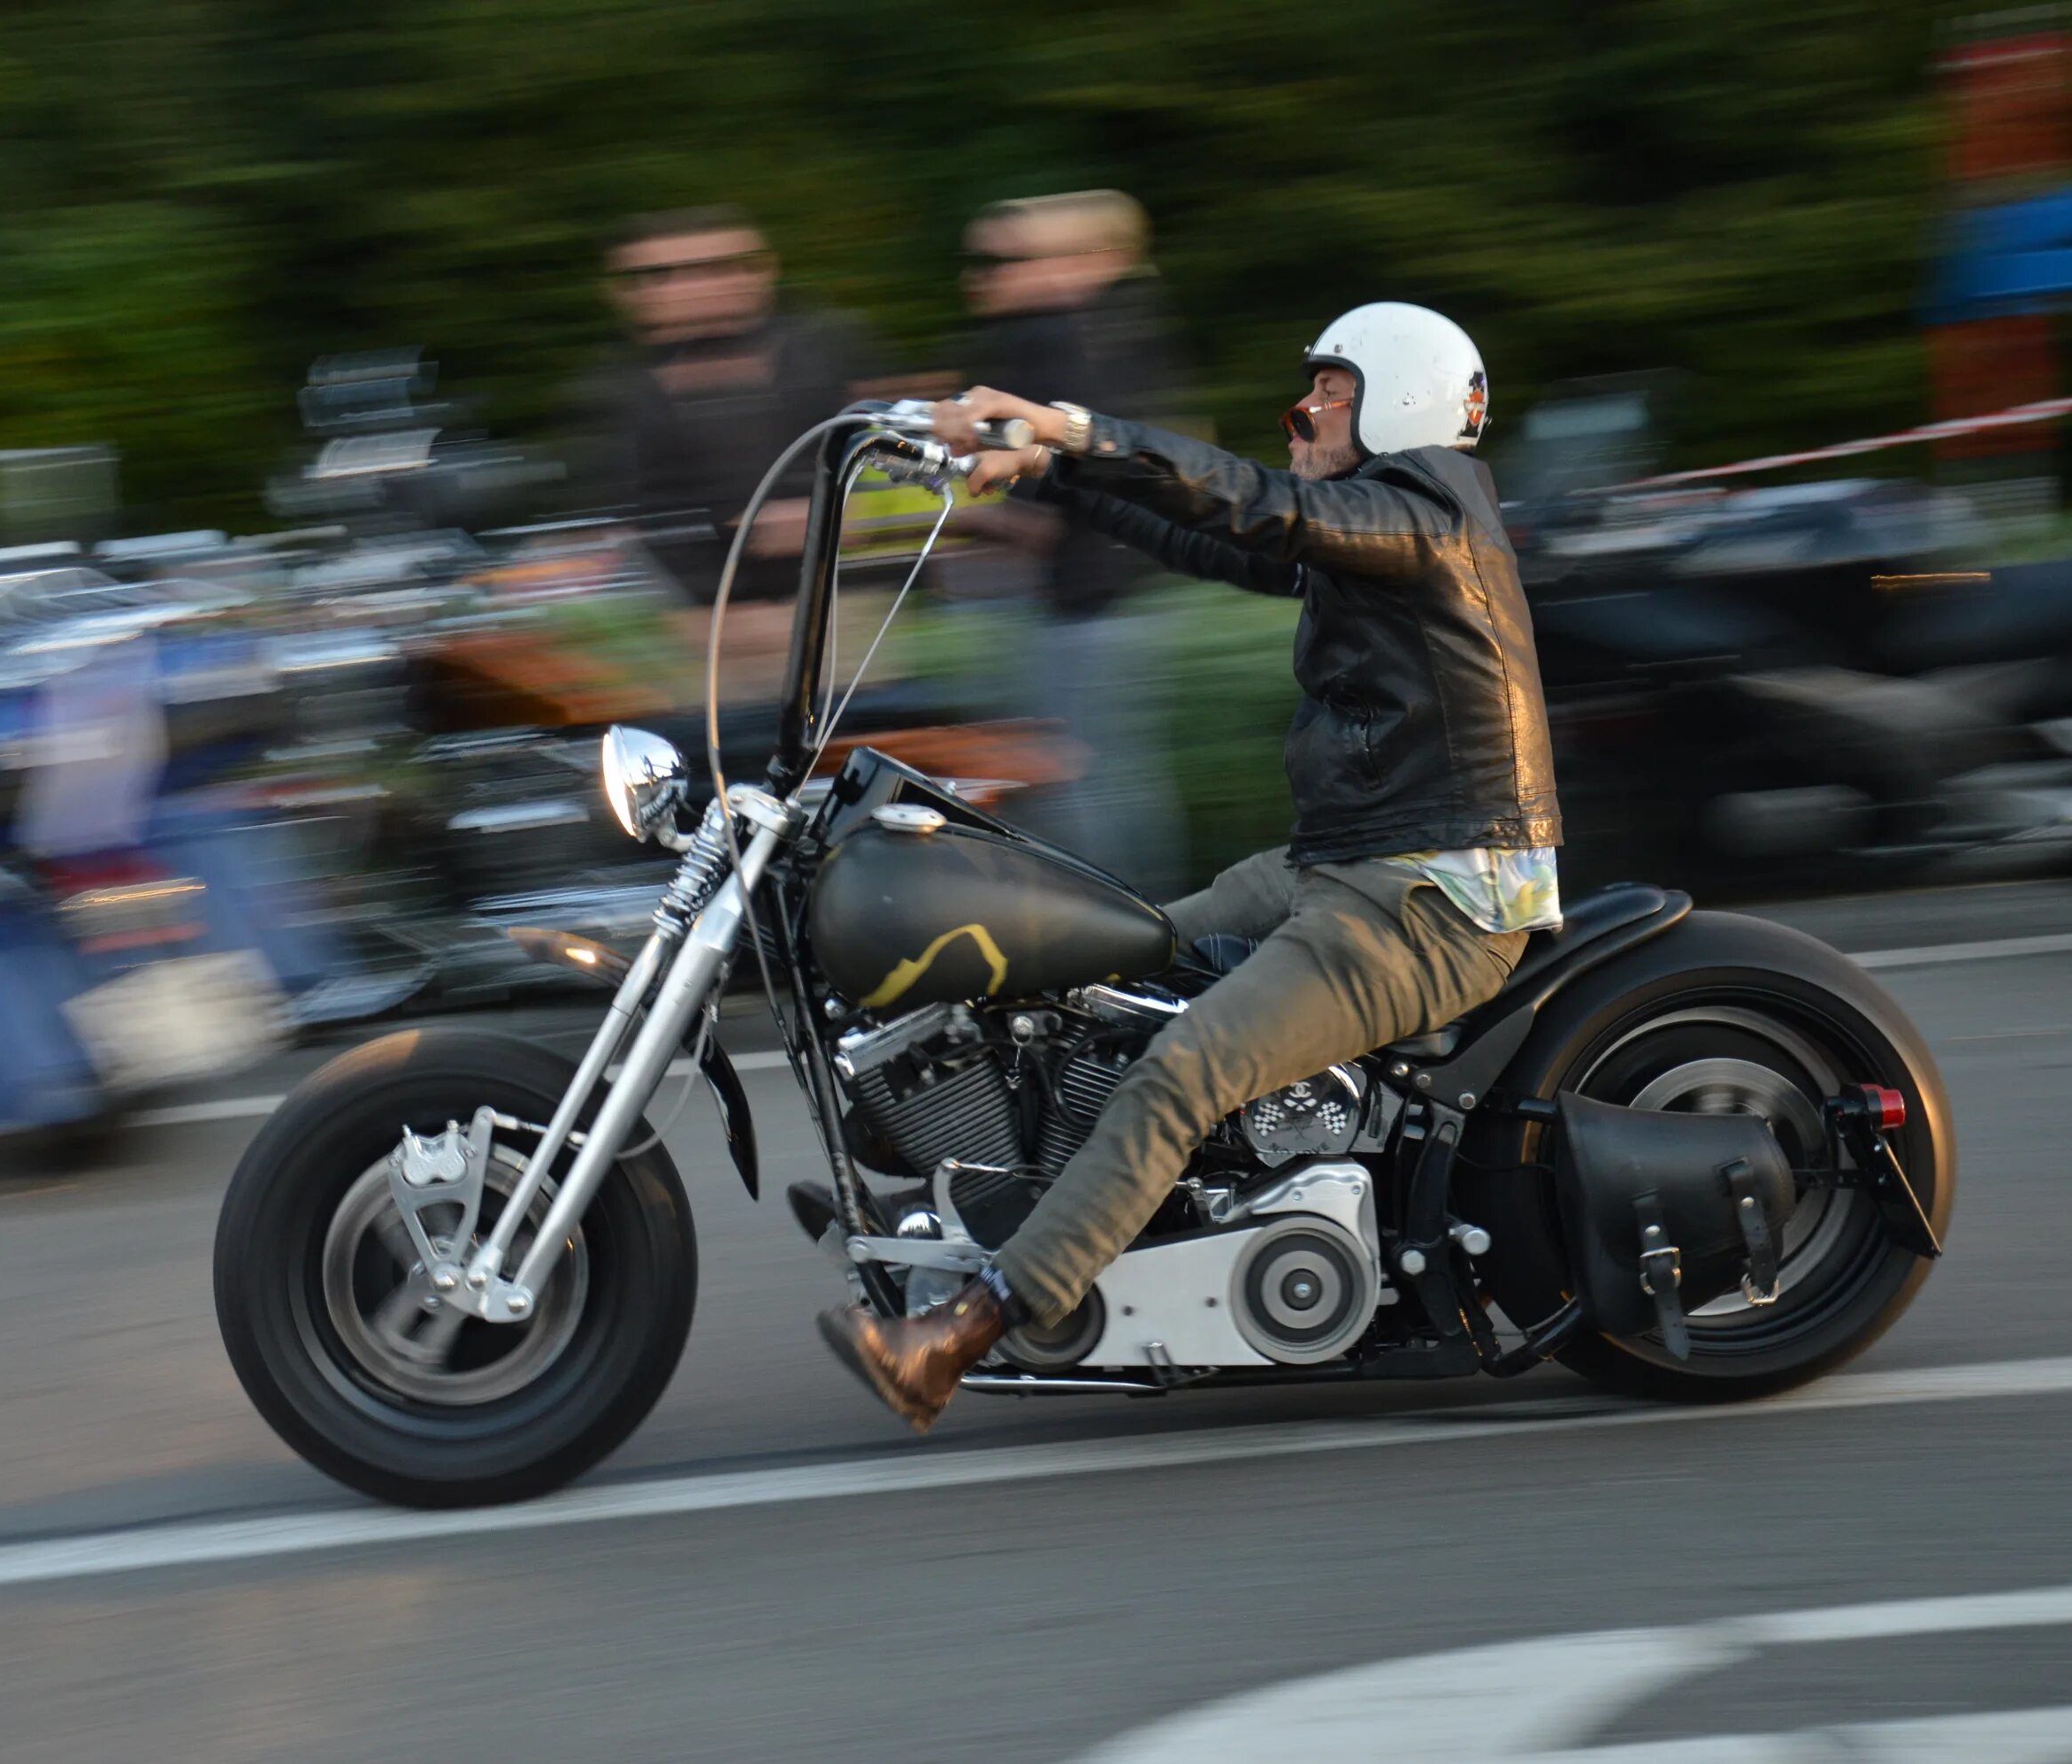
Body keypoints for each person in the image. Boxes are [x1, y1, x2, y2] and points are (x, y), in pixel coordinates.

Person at [816, 302, 1565, 1431]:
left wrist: (1073, 427)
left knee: (1184, 1067)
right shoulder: (1376, 536)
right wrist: (1043, 477)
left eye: (1332, 386)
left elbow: (1256, 507)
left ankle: (969, 1326)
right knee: (1103, 957)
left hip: (1434, 903)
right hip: (1347, 866)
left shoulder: (1430, 516)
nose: (1304, 406)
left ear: (1401, 396)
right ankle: (987, 1186)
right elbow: (1208, 534)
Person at [945, 191, 1195, 895]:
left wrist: (983, 516)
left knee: (1081, 776)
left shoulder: (1064, 338)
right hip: (1108, 590)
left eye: (1008, 260)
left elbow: (1070, 473)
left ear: (1094, 259)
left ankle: (1128, 933)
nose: (984, 277)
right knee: (1101, 771)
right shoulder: (1123, 326)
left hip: (1085, 598)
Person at [565, 206, 875, 613]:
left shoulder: (832, 350)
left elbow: (922, 464)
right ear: (625, 292)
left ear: (765, 270)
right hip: (706, 623)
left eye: (722, 267)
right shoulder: (608, 394)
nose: (695, 286)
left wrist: (851, 512)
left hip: (865, 604)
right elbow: (612, 520)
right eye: (661, 275)